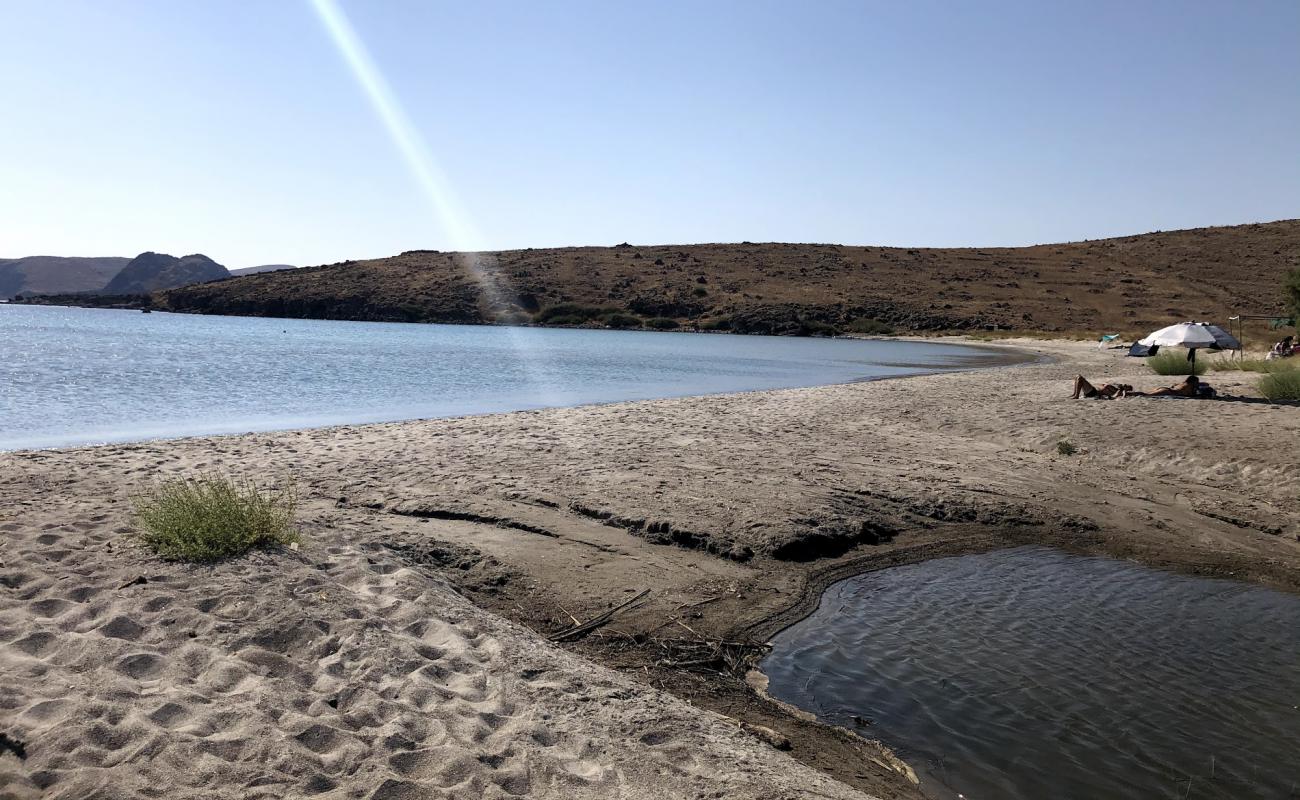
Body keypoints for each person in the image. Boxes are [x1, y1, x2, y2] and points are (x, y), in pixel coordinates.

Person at [1125, 375, 1208, 398]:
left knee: (1145, 393)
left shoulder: (1183, 383)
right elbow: (1191, 395)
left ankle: (1127, 393)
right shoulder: (1189, 387)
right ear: (1193, 382)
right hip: (1168, 392)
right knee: (1146, 395)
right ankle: (1127, 394)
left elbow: (1174, 385)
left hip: (1165, 388)